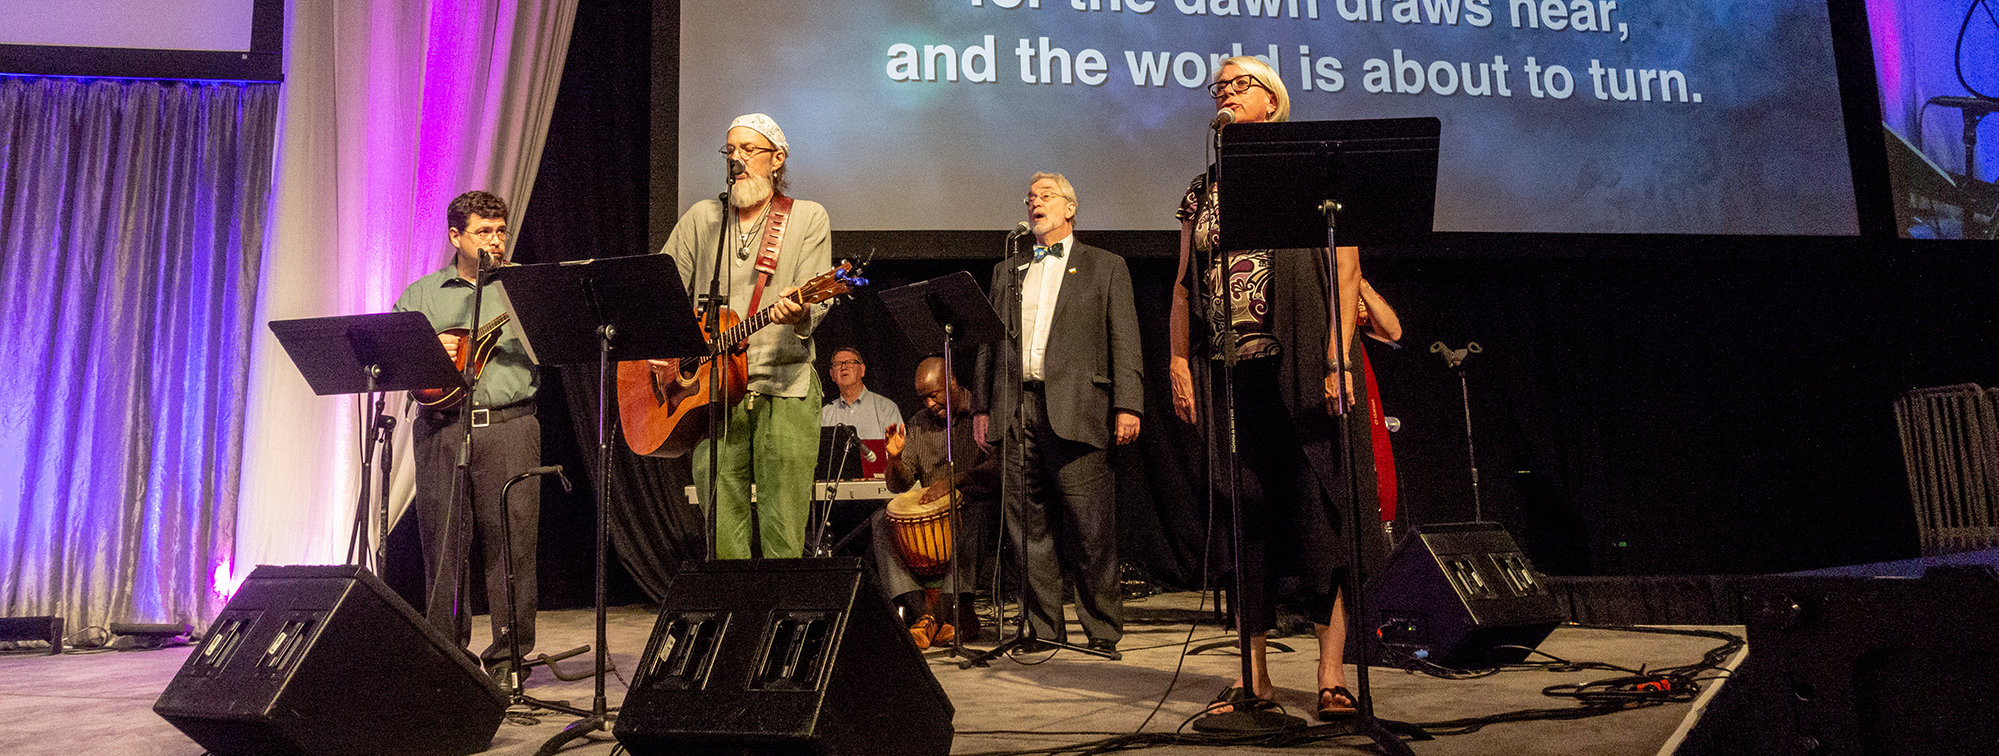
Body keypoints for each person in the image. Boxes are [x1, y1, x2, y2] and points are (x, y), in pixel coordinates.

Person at [1169, 56, 1384, 720]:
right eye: (1219, 87)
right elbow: (1183, 283)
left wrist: (1336, 358)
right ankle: (1254, 679)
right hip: (1231, 373)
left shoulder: (1306, 173)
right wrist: (1178, 360)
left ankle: (1329, 676)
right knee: (1245, 521)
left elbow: (1344, 269)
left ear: (1272, 101)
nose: (1226, 93)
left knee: (1323, 518)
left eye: (1240, 85)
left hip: (1303, 366)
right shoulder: (1200, 191)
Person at [973, 172, 1142, 658]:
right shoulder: (1008, 269)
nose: (1034, 203)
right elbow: (989, 342)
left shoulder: (1106, 266)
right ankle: (1044, 628)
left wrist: (1129, 403)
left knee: (1090, 528)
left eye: (1045, 196)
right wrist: (983, 406)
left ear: (1070, 208)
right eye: (1030, 197)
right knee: (1027, 529)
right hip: (1015, 406)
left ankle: (1103, 631)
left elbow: (1125, 339)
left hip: (1078, 409)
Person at [657, 113, 830, 559]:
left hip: (783, 385)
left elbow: (818, 300)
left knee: (783, 530)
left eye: (748, 150)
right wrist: (658, 348)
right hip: (711, 393)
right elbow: (659, 289)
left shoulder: (808, 217)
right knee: (722, 531)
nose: (737, 159)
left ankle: (783, 624)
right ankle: (735, 624)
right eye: (730, 150)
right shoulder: (703, 217)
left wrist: (800, 311)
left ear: (777, 159)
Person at [393, 190, 540, 681]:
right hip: (442, 429)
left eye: (500, 231)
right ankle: (448, 662)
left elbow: (560, 345)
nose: (495, 241)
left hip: (509, 426)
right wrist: (430, 347)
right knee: (444, 546)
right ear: (455, 236)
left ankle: (509, 664)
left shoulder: (525, 287)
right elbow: (396, 363)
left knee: (512, 547)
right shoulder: (422, 295)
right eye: (483, 232)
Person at [871, 356, 998, 648]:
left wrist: (954, 482)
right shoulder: (918, 423)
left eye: (933, 395)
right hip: (932, 518)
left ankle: (948, 612)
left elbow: (997, 468)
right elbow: (897, 485)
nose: (928, 404)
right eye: (923, 398)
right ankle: (922, 616)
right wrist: (895, 458)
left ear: (951, 381)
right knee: (881, 520)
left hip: (975, 502)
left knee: (973, 515)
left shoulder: (981, 412)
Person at [821, 346, 902, 440]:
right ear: (832, 375)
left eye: (850, 362)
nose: (844, 367)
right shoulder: (825, 415)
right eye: (837, 364)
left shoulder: (886, 408)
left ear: (862, 370)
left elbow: (898, 449)